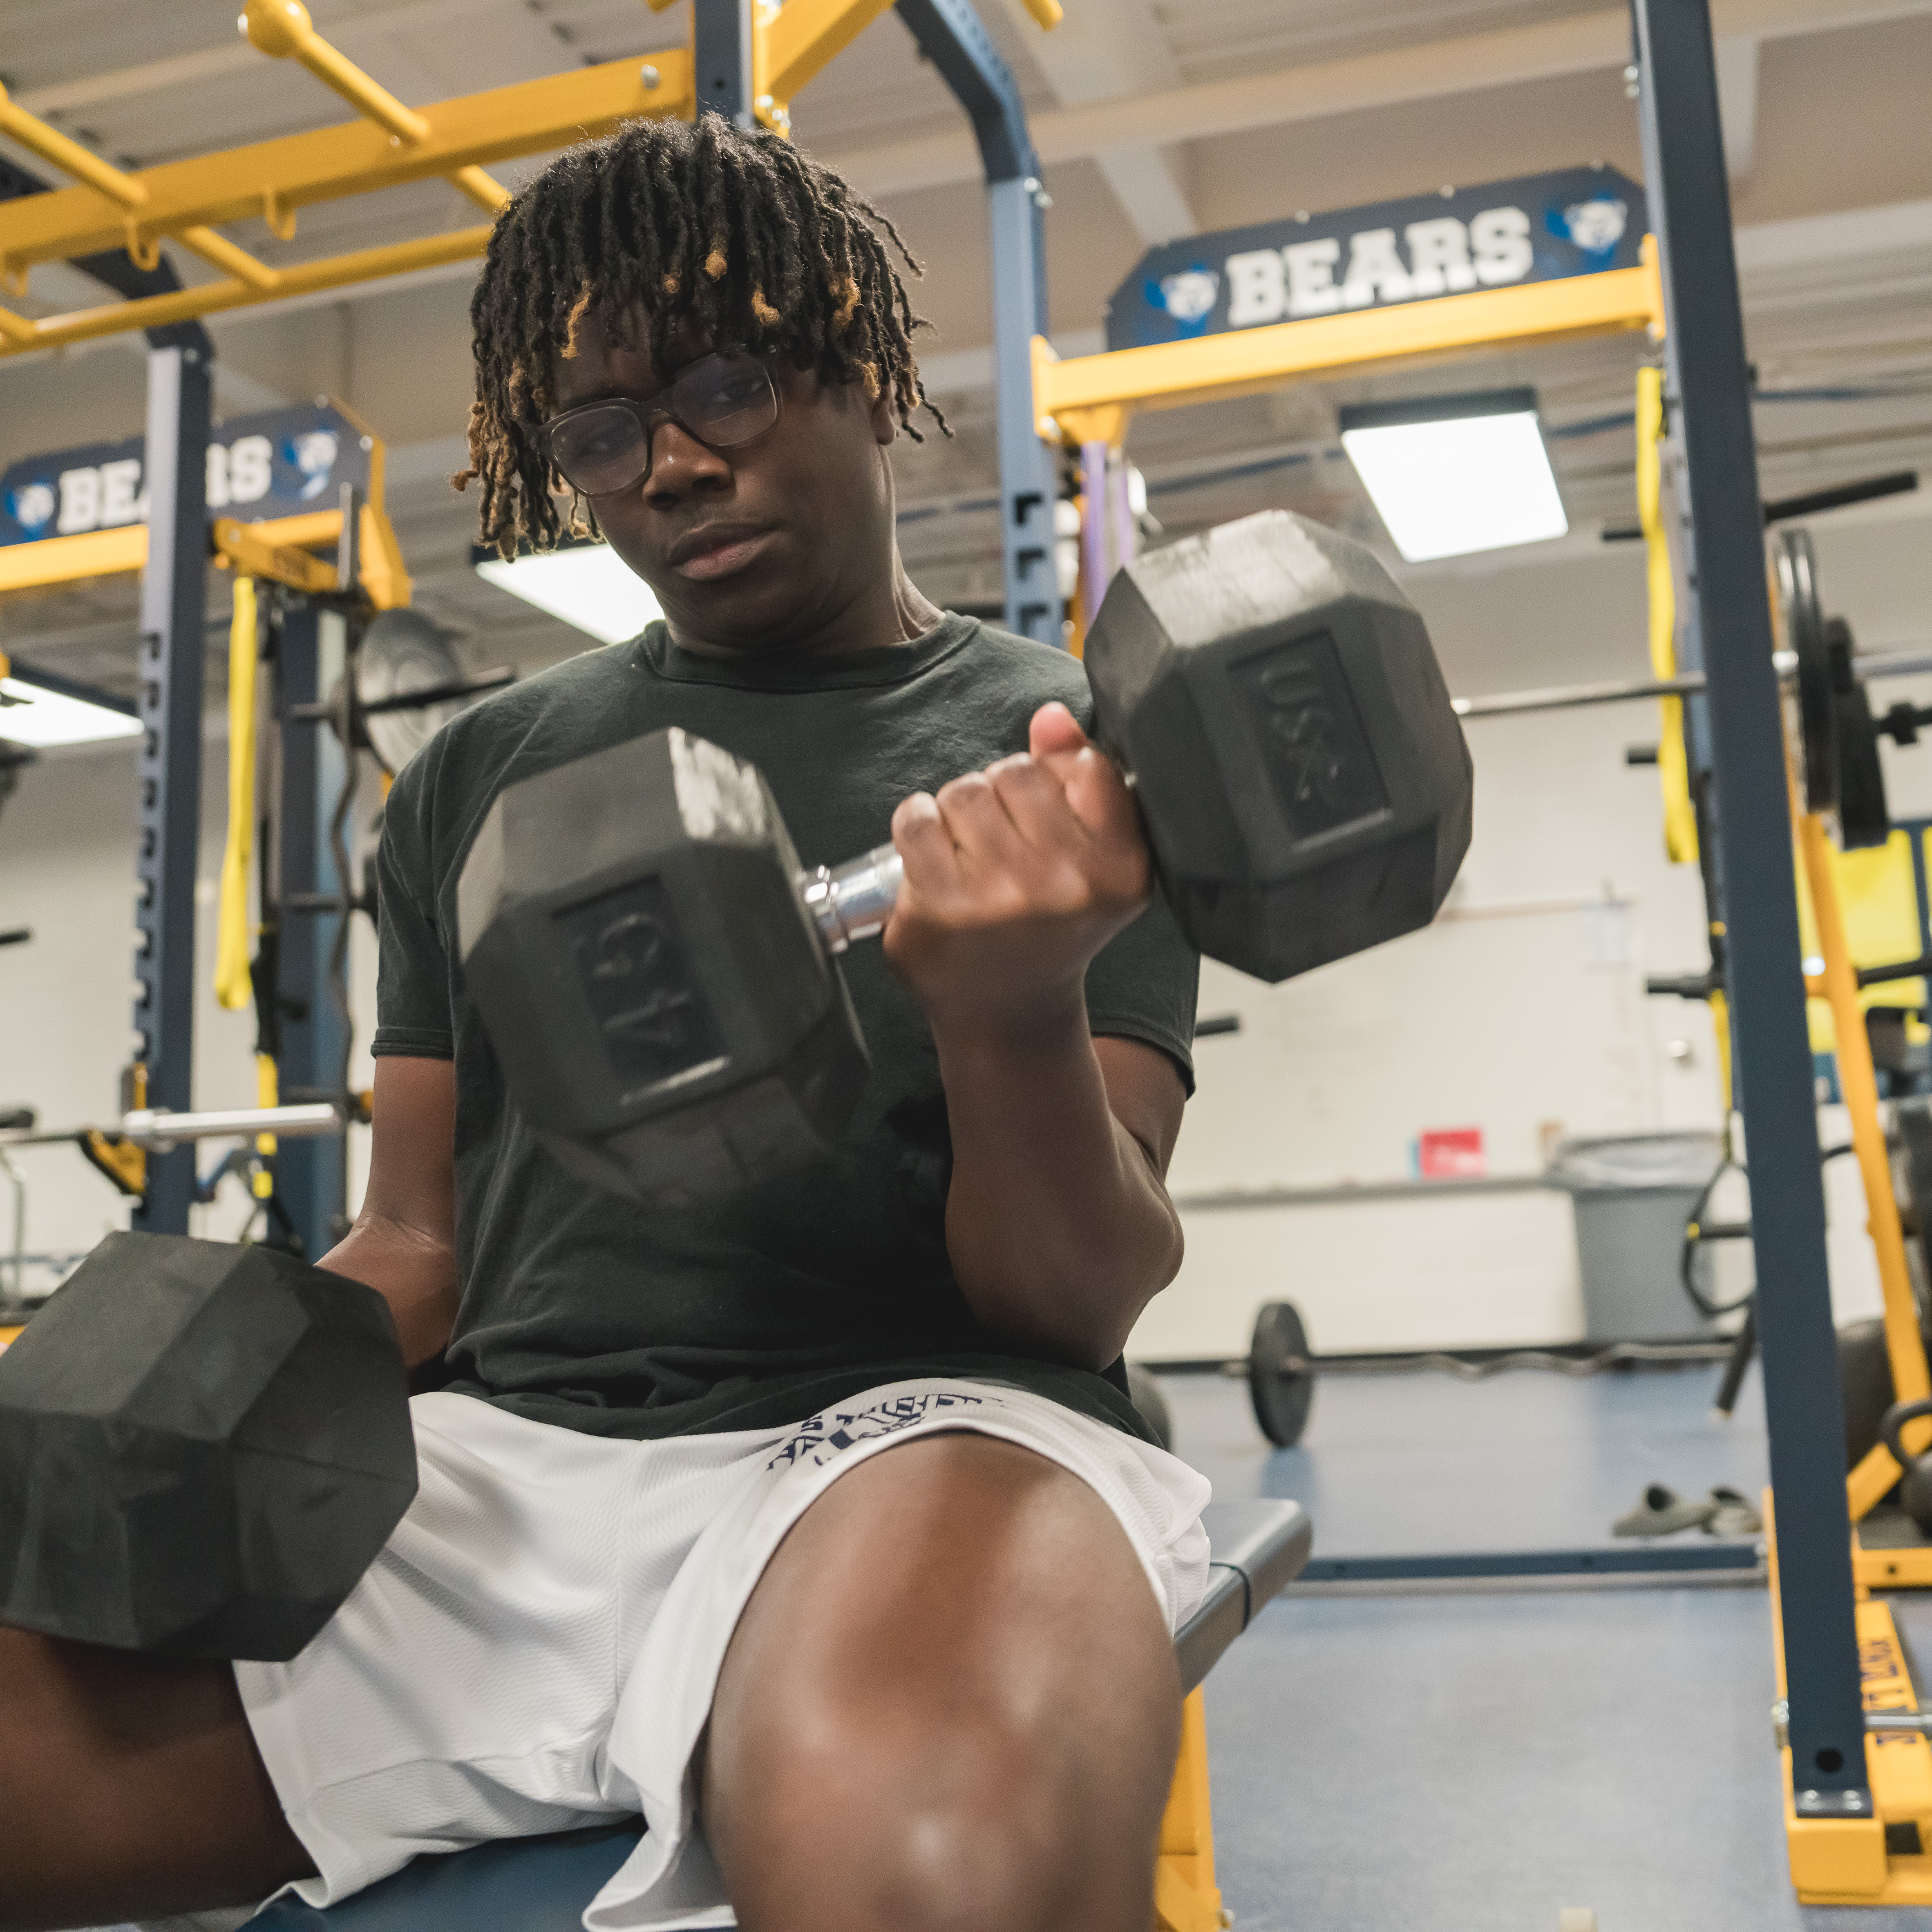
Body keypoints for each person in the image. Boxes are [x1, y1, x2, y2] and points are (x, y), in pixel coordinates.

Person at [0, 115, 1207, 1932]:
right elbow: (420, 1236)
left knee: (933, 1877)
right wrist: (176, 1402)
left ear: (865, 370)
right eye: (598, 432)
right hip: (506, 1463)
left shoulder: (1068, 752)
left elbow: (1075, 1299)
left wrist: (1011, 1014)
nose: (672, 466)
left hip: (921, 1432)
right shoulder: (484, 767)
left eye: (726, 381)